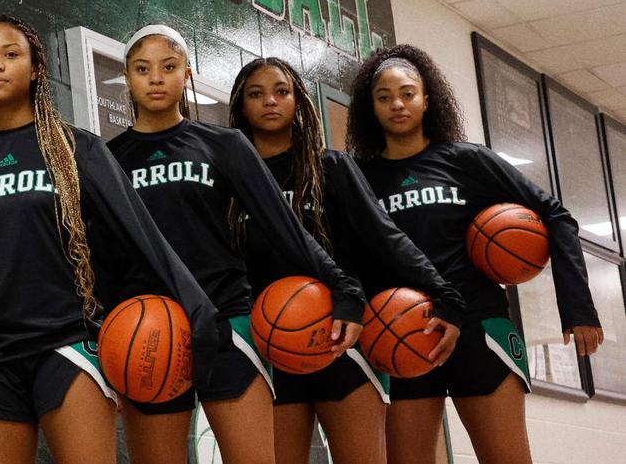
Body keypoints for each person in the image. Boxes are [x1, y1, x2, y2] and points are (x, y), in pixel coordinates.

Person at [0, 16, 219, 464]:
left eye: (10, 54)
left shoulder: (79, 150)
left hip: (69, 346)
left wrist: (199, 315)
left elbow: (144, 239)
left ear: (37, 66)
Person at [107, 25, 366, 464]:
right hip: (147, 327)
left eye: (168, 67)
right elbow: (100, 256)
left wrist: (345, 289)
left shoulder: (223, 145)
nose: (155, 78)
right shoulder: (107, 158)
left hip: (227, 320)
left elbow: (284, 226)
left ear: (186, 74)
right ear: (128, 77)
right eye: (142, 69)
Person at [346, 44, 604, 464]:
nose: (397, 104)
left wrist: (577, 307)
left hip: (478, 325)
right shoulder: (359, 178)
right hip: (400, 328)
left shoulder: (467, 161)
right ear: (370, 108)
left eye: (408, 93)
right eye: (384, 97)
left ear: (427, 99)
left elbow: (556, 216)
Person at [230, 56, 465, 464]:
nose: (270, 101)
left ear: (298, 101)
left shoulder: (331, 168)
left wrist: (444, 293)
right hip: (271, 344)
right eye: (257, 94)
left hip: (341, 337)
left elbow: (385, 236)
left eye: (281, 91)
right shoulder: (232, 182)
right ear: (241, 107)